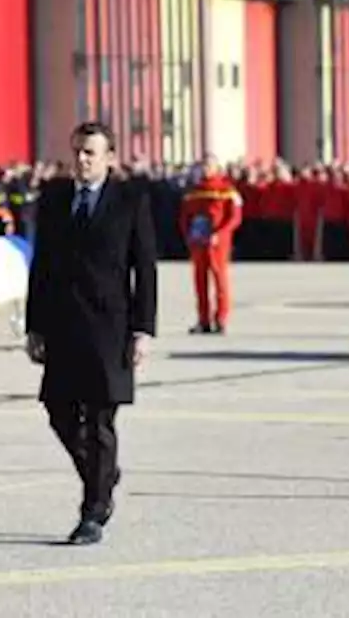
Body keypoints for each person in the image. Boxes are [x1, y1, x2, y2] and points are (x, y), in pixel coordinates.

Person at [26, 121, 158, 546]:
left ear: (109, 158)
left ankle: (94, 511)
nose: (81, 160)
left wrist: (143, 330)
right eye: (78, 151)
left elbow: (146, 270)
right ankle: (104, 474)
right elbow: (41, 266)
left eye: (90, 153)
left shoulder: (129, 201)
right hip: (64, 326)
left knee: (101, 421)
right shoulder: (54, 198)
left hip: (110, 328)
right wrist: (35, 326)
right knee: (58, 412)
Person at [180, 157, 243, 334]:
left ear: (217, 167)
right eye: (203, 166)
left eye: (209, 166)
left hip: (218, 243)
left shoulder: (227, 190)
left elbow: (235, 217)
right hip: (198, 242)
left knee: (220, 279)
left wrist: (220, 234)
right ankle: (203, 319)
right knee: (199, 281)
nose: (205, 169)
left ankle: (221, 318)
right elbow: (185, 216)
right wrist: (188, 235)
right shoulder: (193, 191)